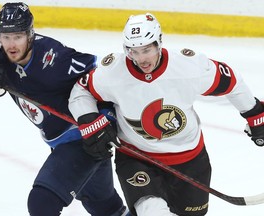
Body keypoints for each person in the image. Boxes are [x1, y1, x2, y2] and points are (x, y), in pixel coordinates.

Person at [68, 13, 264, 216]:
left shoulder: (188, 66)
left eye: (147, 49)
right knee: (151, 211)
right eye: (133, 51)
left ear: (159, 42)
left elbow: (231, 81)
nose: (141, 59)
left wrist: (254, 112)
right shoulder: (113, 73)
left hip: (190, 159)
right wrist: (89, 118)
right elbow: (81, 90)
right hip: (137, 157)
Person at [0, 2, 130, 216]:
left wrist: (106, 120)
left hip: (85, 138)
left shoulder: (53, 57)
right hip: (59, 141)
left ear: (30, 34)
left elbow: (100, 78)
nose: (11, 44)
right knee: (102, 205)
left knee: (42, 204)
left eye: (18, 36)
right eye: (5, 36)